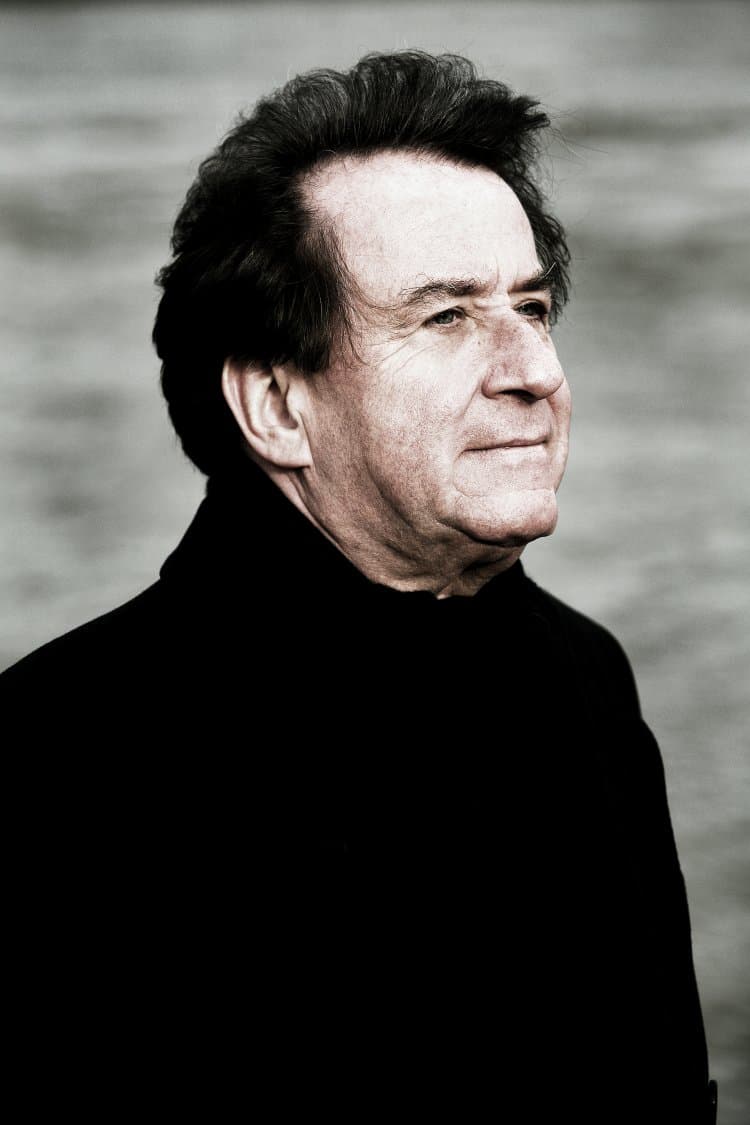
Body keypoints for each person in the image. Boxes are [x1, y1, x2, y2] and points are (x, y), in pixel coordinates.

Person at [3, 52, 716, 1122]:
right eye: (447, 317)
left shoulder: (584, 676)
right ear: (277, 405)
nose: (535, 371)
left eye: (532, 306)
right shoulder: (64, 755)